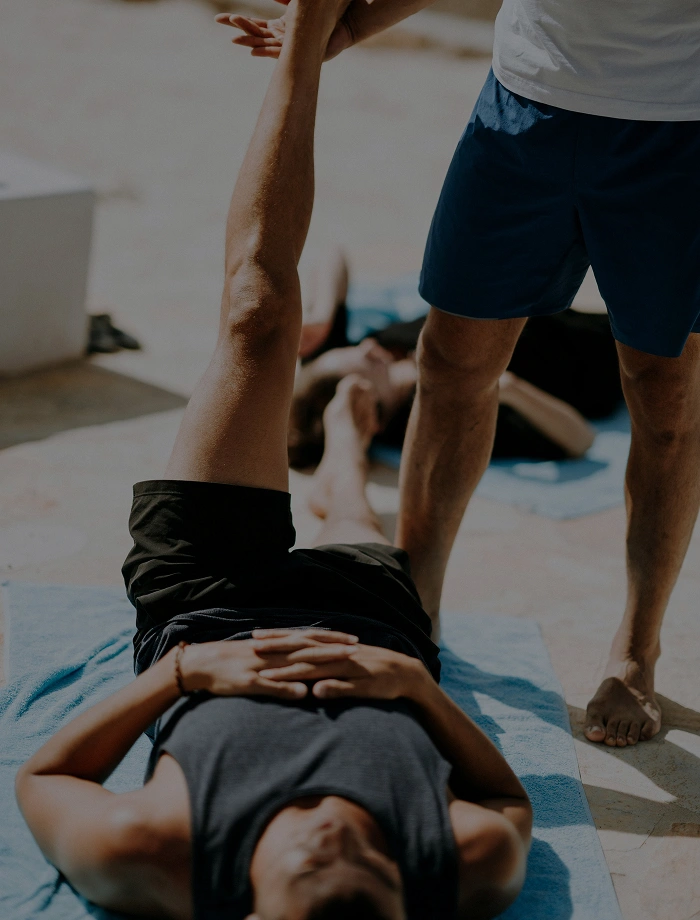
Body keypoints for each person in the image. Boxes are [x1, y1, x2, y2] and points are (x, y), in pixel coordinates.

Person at [15, 6, 532, 920]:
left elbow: (45, 780)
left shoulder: (151, 853)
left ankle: (310, 27)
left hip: (203, 602)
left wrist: (183, 674)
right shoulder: (465, 864)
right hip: (371, 626)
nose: (334, 831)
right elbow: (505, 804)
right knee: (352, 520)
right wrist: (413, 685)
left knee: (259, 316)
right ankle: (344, 440)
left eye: (304, 857)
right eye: (370, 860)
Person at [227, 0, 700, 748]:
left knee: (667, 398)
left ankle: (636, 649)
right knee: (448, 364)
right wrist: (354, 25)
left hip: (679, 120)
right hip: (525, 101)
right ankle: (416, 607)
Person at [290, 248, 622, 477]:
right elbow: (581, 440)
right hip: (600, 359)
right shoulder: (442, 415)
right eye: (370, 361)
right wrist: (508, 388)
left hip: (550, 312)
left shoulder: (333, 367)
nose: (367, 346)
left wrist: (322, 314)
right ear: (370, 412)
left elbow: (332, 256)